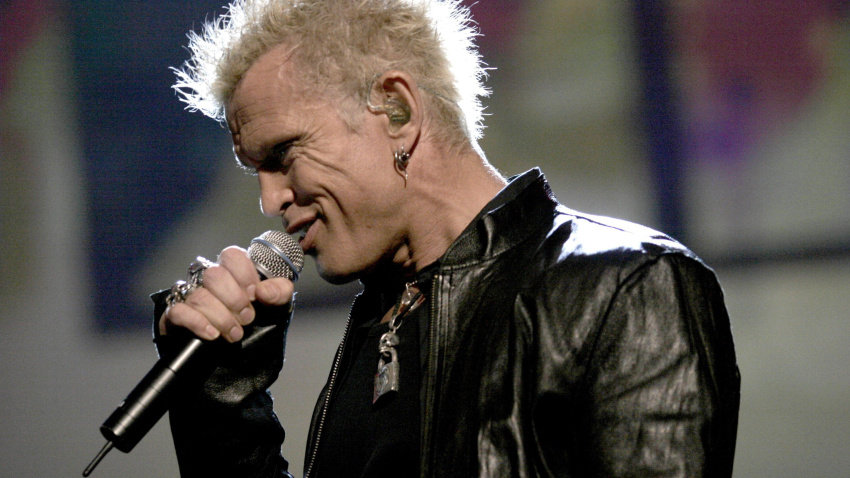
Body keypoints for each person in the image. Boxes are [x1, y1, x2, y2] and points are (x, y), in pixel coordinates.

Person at [154, 0, 741, 476]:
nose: (270, 200)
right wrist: (220, 402)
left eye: (283, 155)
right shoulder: (379, 323)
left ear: (397, 109)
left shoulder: (627, 289)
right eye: (255, 170)